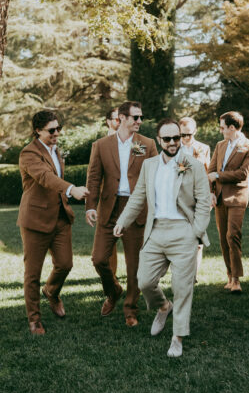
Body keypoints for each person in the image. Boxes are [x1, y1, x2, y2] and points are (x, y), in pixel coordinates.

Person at [113, 118, 210, 357]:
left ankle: (177, 337)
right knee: (144, 281)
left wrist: (196, 232)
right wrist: (122, 221)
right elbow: (138, 198)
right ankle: (164, 307)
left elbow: (204, 202)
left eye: (176, 138)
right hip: (155, 231)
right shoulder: (150, 165)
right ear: (159, 140)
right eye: (167, 139)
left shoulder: (194, 165)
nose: (173, 143)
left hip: (183, 232)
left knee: (182, 287)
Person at [85, 101, 158, 327]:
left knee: (134, 265)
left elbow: (156, 178)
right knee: (98, 259)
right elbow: (94, 178)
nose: (139, 122)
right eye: (135, 118)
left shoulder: (147, 144)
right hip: (109, 208)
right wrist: (90, 205)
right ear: (122, 119)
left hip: (136, 209)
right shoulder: (101, 145)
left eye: (140, 118)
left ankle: (130, 309)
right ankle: (114, 290)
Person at [17, 110, 89, 335]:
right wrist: (71, 189)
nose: (57, 133)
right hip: (35, 220)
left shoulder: (56, 150)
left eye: (59, 128)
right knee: (32, 273)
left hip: (60, 217)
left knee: (65, 264)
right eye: (52, 130)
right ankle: (34, 319)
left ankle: (51, 292)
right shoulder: (28, 153)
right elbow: (45, 178)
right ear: (38, 131)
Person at [208, 111, 249, 293]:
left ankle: (236, 279)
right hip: (219, 197)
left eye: (222, 128)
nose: (220, 131)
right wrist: (212, 192)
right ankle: (229, 275)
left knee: (232, 235)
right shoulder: (220, 145)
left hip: (237, 197)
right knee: (222, 238)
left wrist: (219, 175)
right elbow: (211, 170)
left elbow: (244, 174)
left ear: (232, 128)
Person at [179, 116, 211, 280]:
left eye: (188, 135)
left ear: (195, 132)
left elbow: (207, 174)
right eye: (182, 135)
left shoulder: (204, 148)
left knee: (198, 240)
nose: (185, 138)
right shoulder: (172, 148)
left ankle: (194, 274)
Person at [105, 107, 120, 277]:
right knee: (109, 242)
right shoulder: (100, 144)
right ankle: (111, 278)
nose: (120, 122)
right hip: (108, 200)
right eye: (117, 119)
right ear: (109, 121)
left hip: (130, 199)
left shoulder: (134, 143)